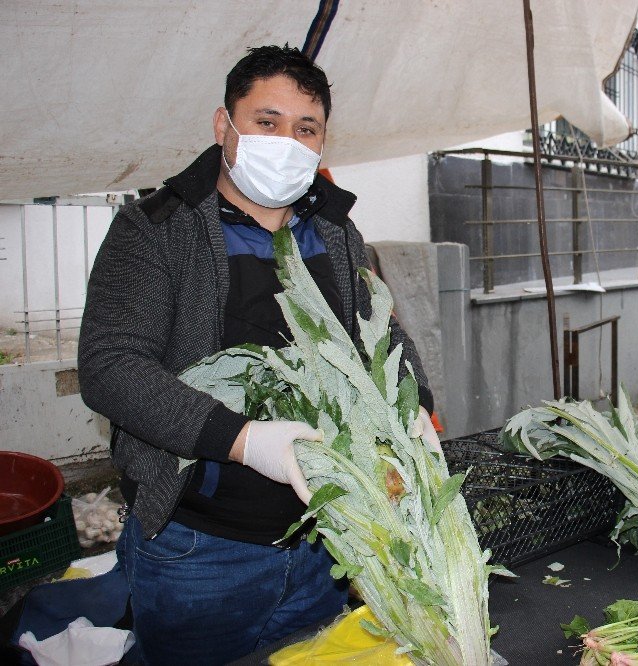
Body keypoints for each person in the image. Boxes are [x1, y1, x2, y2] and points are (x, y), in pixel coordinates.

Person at [78, 45, 436, 665]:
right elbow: (111, 367)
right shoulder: (156, 230)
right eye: (266, 122)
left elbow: (380, 331)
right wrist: (246, 440)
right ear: (225, 125)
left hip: (327, 535)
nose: (286, 141)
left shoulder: (335, 231)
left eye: (306, 128)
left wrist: (417, 409)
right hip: (200, 547)